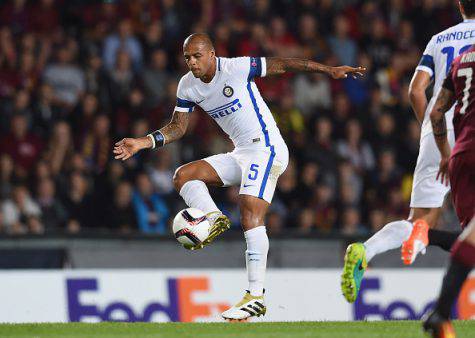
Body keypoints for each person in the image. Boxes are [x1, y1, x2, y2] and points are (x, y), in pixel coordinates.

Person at [114, 33, 365, 321]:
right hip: (242, 153)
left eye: (197, 56)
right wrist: (143, 142)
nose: (192, 62)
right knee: (183, 176)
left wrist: (328, 70)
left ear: (211, 53)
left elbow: (283, 64)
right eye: (187, 58)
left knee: (249, 210)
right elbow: (178, 127)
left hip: (267, 148)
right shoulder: (187, 85)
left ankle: (255, 295)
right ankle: (213, 217)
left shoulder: (236, 68)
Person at [341, 0, 475, 304]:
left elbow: (415, 90)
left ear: (459, 6)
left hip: (437, 125)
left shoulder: (439, 39)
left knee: (421, 220)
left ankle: (366, 250)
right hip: (471, 127)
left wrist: (433, 135)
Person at [422, 42, 475, 337]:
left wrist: (446, 154)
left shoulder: (461, 59)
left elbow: (435, 112)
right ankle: (441, 313)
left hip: (461, 156)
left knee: (472, 239)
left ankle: (423, 235)